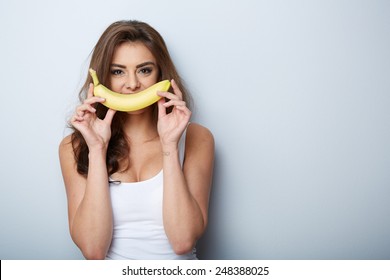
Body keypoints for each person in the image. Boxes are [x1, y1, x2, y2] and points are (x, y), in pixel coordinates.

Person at [59, 20, 214, 260]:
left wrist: (170, 145)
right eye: (117, 71)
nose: (132, 84)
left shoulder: (197, 138)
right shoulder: (75, 146)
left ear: (161, 74)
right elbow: (93, 250)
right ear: (102, 79)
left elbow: (183, 240)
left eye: (144, 70)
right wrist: (97, 150)